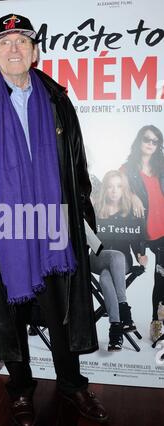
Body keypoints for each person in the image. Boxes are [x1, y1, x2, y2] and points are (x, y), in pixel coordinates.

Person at [0, 13, 108, 426]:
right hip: (0, 230)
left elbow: (77, 167)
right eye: (5, 43)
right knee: (10, 314)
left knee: (61, 311)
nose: (15, 48)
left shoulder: (58, 100)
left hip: (55, 226)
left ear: (35, 51)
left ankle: (73, 385)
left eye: (22, 40)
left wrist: (84, 223)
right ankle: (20, 389)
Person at [90, 170, 147, 351]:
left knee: (106, 278)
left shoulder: (130, 212)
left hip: (123, 264)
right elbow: (89, 177)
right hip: (99, 257)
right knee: (116, 255)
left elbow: (136, 239)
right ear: (104, 189)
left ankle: (115, 328)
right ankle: (124, 310)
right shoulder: (96, 209)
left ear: (124, 190)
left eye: (119, 187)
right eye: (110, 187)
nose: (114, 191)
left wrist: (140, 254)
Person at [122, 125, 164, 342]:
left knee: (162, 280)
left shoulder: (161, 167)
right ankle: (119, 320)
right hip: (140, 234)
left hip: (163, 233)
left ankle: (157, 325)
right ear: (139, 141)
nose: (150, 144)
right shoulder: (128, 169)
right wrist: (132, 195)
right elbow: (115, 187)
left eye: (155, 141)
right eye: (146, 139)